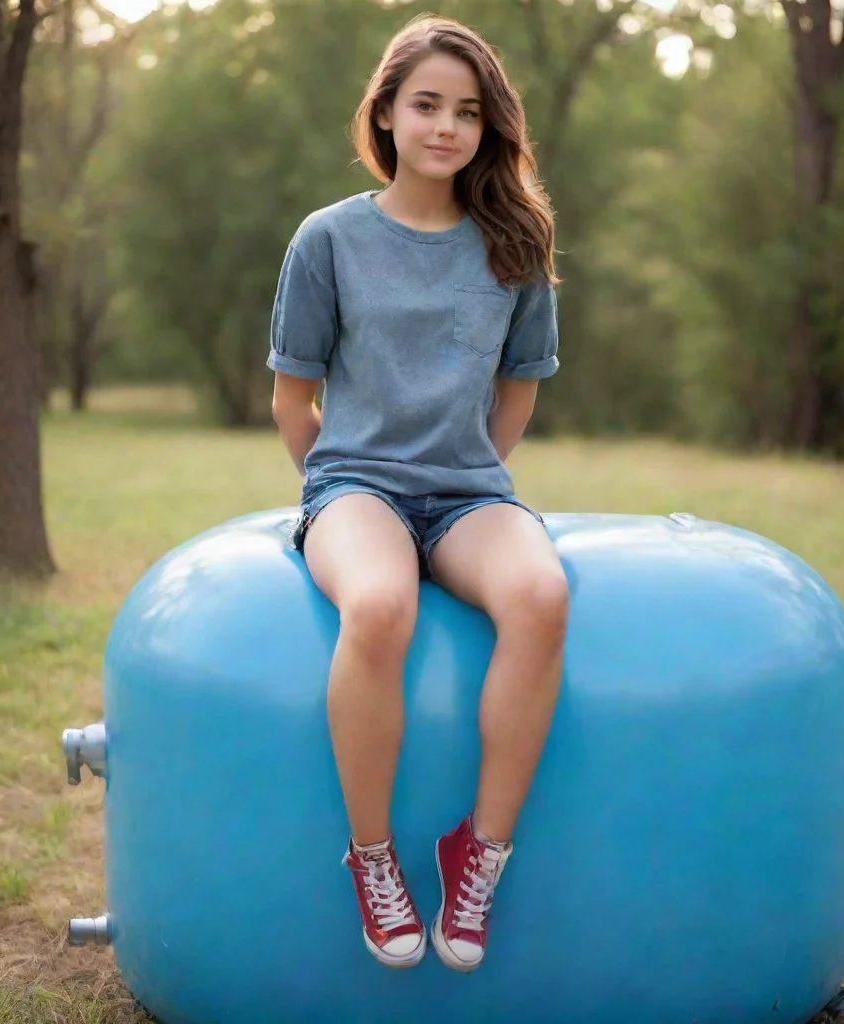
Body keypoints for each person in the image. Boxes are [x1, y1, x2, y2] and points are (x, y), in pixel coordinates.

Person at [267, 13, 568, 973]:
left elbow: (518, 387)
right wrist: (335, 494)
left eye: (468, 111)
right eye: (426, 104)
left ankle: (477, 853)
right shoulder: (327, 239)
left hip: (468, 492)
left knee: (541, 595)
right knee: (383, 602)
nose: (446, 126)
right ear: (387, 114)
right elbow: (291, 397)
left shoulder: (515, 241)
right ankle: (374, 858)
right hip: (355, 483)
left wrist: (468, 469)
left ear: (490, 128)